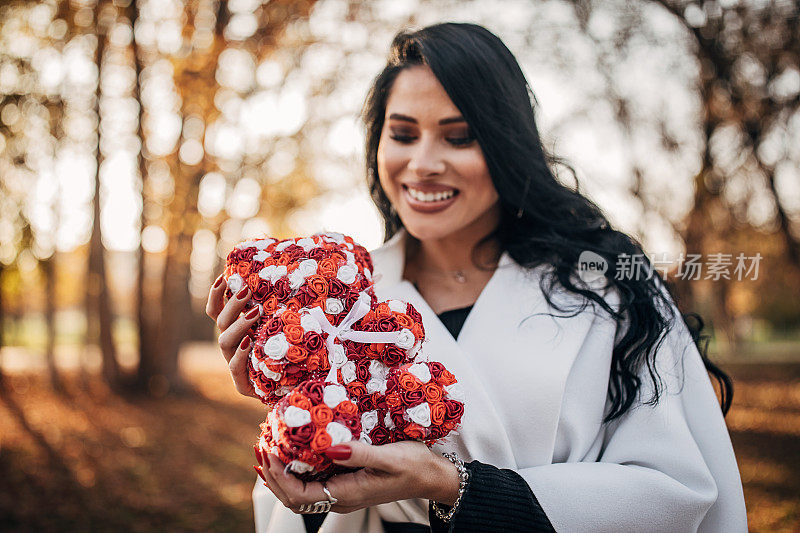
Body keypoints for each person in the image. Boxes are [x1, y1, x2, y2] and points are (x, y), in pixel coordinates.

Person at [205, 22, 748, 533]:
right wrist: (294, 417)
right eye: (403, 134)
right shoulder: (336, 301)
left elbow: (675, 489)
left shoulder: (606, 289)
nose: (422, 163)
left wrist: (454, 486)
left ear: (507, 147)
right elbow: (309, 509)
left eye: (458, 137)